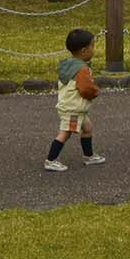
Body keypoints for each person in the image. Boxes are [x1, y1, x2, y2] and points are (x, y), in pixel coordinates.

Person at [43, 27, 104, 172]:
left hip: (74, 107)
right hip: (73, 109)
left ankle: (89, 156)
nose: (93, 49)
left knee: (88, 128)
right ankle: (50, 160)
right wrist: (95, 91)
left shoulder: (69, 64)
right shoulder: (82, 69)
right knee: (66, 133)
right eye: (92, 46)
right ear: (84, 51)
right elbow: (85, 89)